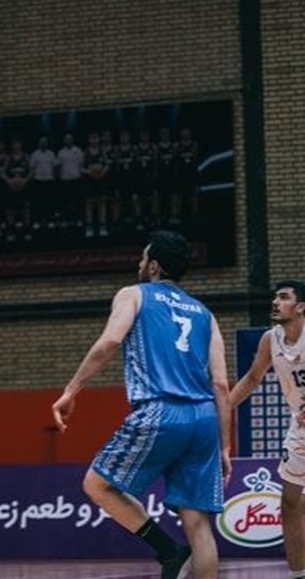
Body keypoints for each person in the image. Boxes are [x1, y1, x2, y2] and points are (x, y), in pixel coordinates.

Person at [51, 230, 230, 579]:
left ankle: (169, 552)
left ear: (154, 266)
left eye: (143, 257)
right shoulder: (205, 313)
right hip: (205, 418)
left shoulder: (133, 294)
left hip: (161, 410)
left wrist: (72, 389)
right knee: (197, 521)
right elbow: (221, 384)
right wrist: (225, 445)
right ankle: (177, 555)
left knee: (97, 484)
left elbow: (109, 341)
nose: (139, 263)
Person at [229, 280, 305, 579]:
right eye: (275, 297)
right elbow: (251, 378)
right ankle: (298, 573)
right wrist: (222, 409)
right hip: (300, 426)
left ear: (300, 307)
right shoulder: (269, 339)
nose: (275, 302)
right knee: (290, 501)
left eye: (284, 297)